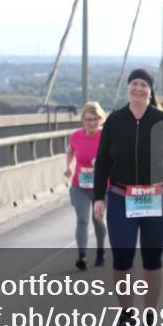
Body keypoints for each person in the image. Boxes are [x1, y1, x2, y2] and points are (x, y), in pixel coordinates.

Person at [93, 69, 163, 326]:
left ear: (151, 90)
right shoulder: (115, 120)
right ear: (128, 88)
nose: (138, 88)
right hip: (122, 197)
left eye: (143, 84)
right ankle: (126, 314)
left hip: (159, 197)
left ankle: (149, 319)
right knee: (122, 260)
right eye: (134, 83)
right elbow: (102, 162)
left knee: (151, 260)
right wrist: (98, 197)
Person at [64, 102, 107, 270]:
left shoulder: (106, 136)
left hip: (101, 186)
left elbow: (115, 156)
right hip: (80, 185)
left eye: (95, 119)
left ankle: (100, 251)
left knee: (98, 219)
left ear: (100, 119)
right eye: (88, 119)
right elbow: (70, 152)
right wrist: (68, 166)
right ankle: (82, 256)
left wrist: (103, 164)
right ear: (83, 120)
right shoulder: (75, 136)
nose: (92, 123)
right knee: (82, 219)